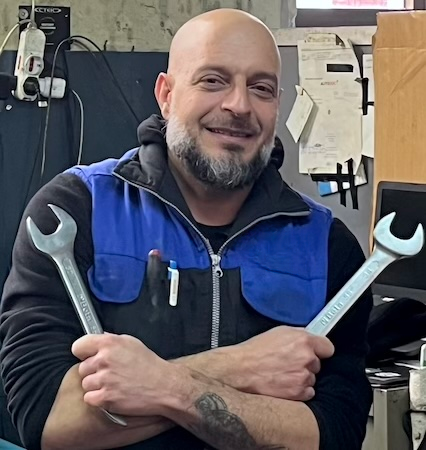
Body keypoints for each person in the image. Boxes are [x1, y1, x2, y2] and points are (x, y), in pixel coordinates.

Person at [0, 8, 373, 450]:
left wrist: (155, 384)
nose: (239, 105)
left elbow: (333, 434)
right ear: (166, 94)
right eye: (213, 80)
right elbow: (46, 419)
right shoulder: (77, 209)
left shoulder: (327, 245)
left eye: (261, 88)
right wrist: (240, 367)